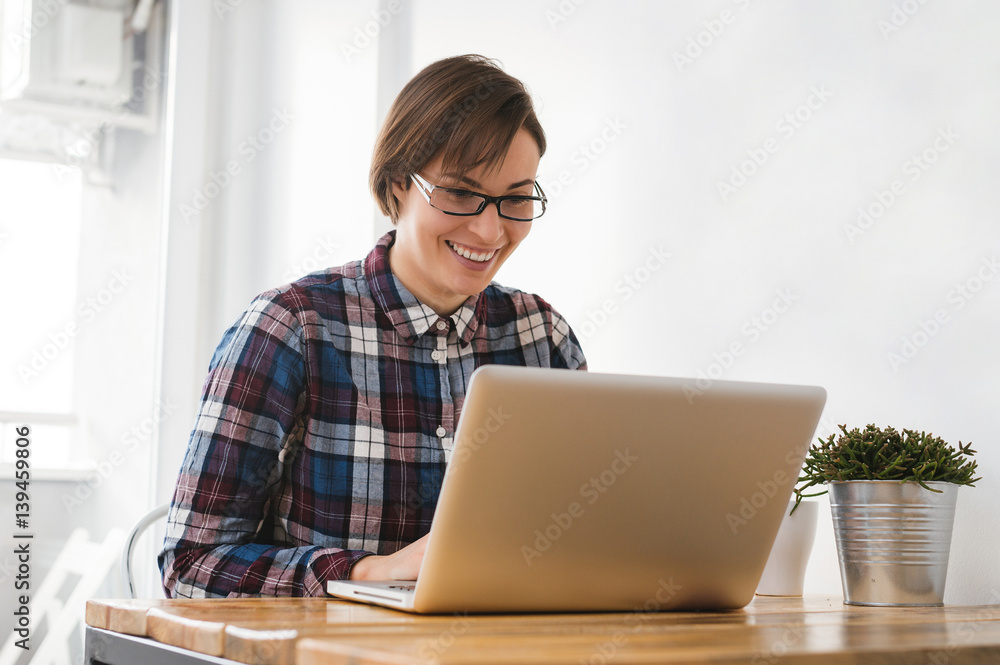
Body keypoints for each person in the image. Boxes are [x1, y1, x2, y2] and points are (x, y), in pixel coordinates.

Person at [158, 54, 587, 598]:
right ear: (396, 184)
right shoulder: (292, 328)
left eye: (516, 199)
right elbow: (190, 566)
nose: (489, 228)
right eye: (459, 192)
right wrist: (365, 573)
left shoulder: (543, 338)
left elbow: (581, 543)